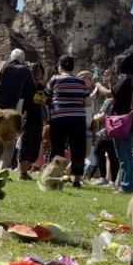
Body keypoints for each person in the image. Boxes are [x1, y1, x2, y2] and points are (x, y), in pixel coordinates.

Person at [95, 54, 133, 193]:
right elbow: (117, 93)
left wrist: (98, 85)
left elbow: (110, 94)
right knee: (128, 155)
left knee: (123, 156)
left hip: (122, 123)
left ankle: (126, 185)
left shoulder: (127, 80)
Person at [0, 49, 35, 173]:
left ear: (11, 57)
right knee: (9, 145)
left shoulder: (2, 67)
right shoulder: (24, 71)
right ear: (22, 59)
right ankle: (1, 170)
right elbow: (31, 91)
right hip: (11, 111)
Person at [46, 54, 87, 188]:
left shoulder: (55, 79)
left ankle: (55, 176)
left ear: (60, 66)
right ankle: (77, 180)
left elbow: (46, 95)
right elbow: (86, 101)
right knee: (78, 149)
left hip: (59, 118)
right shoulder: (81, 82)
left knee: (58, 148)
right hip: (78, 118)